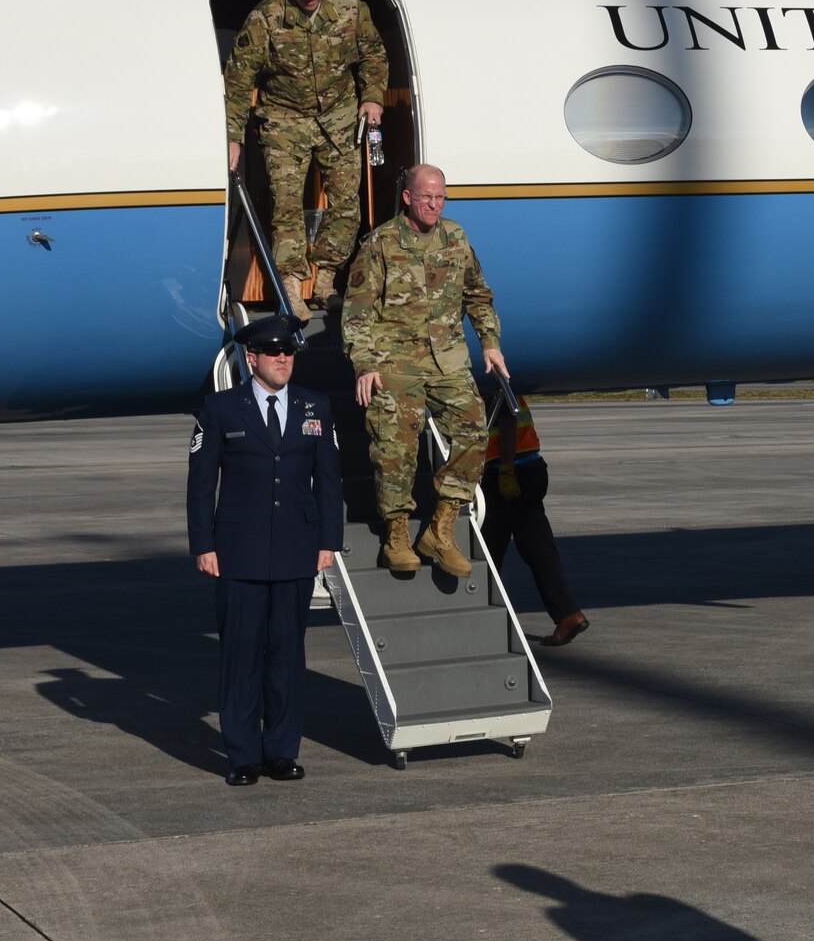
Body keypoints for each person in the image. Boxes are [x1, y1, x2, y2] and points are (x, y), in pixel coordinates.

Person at [187, 314, 343, 787]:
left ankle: (281, 751)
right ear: (250, 358)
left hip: (297, 549)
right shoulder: (219, 409)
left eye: (289, 352)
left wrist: (328, 540)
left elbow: (329, 479)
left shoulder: (315, 406)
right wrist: (204, 545)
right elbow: (200, 486)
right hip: (238, 553)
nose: (283, 359)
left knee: (286, 657)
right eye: (274, 353)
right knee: (241, 656)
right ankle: (241, 756)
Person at [344, 164, 508, 578]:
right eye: (426, 198)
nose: (434, 205)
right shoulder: (380, 243)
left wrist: (490, 341)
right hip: (394, 360)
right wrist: (364, 364)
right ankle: (396, 535)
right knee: (396, 445)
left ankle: (441, 528)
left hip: (448, 359)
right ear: (407, 198)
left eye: (440, 198)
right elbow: (358, 310)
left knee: (474, 431)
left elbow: (478, 293)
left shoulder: (456, 237)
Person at [223, 0, 388, 316]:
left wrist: (373, 98)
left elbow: (374, 56)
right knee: (286, 208)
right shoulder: (266, 17)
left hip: (339, 116)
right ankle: (293, 289)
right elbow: (238, 78)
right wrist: (234, 136)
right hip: (285, 120)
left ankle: (327, 277)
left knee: (348, 202)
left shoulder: (350, 8)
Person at [482, 389, 589, 645]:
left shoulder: (487, 382)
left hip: (507, 475)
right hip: (530, 468)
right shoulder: (509, 381)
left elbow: (507, 420)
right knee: (539, 550)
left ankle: (485, 625)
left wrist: (506, 469)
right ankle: (567, 614)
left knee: (486, 554)